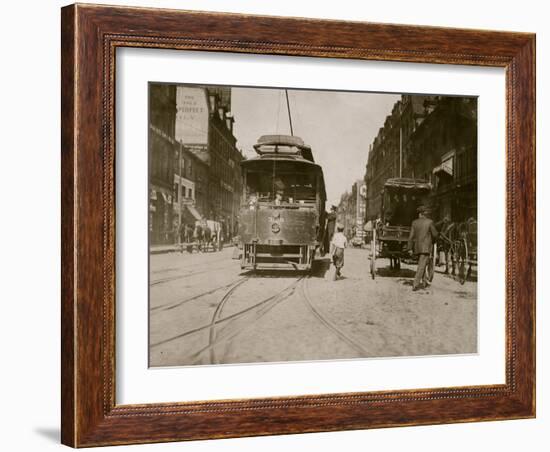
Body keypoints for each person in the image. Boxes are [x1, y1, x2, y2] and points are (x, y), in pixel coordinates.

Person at [407, 206, 439, 291]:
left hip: (417, 248)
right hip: (426, 248)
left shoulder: (414, 222)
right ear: (425, 214)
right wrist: (434, 241)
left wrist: (409, 248)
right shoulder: (430, 222)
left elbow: (410, 237)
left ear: (419, 214)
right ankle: (415, 284)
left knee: (423, 264)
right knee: (421, 266)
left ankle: (424, 282)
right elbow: (435, 235)